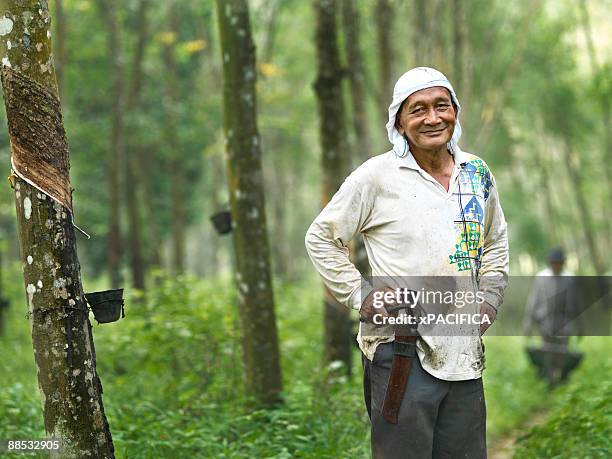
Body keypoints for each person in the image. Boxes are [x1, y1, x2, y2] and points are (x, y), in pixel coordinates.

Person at [305, 67, 509, 458]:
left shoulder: (477, 173)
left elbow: (496, 238)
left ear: (455, 112)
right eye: (418, 110)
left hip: (464, 353)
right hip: (401, 352)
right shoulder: (377, 177)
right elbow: (321, 237)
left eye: (441, 106)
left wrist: (490, 294)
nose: (433, 118)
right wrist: (361, 295)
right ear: (399, 121)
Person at [524, 248, 580, 384]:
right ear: (549, 263)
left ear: (563, 263)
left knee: (562, 352)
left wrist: (580, 326)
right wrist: (528, 324)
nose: (556, 266)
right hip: (545, 322)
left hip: (564, 322)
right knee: (547, 351)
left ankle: (562, 378)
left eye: (559, 263)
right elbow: (533, 301)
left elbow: (575, 304)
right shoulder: (541, 278)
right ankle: (548, 378)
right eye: (554, 263)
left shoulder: (569, 279)